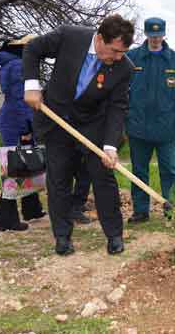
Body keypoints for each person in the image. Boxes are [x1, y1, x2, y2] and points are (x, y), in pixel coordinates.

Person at [22, 14, 134, 256]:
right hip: (57, 119)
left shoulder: (123, 67)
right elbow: (32, 49)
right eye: (114, 51)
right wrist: (31, 86)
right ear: (101, 39)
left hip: (93, 125)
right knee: (59, 179)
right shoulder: (69, 37)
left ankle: (114, 235)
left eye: (122, 53)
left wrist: (110, 146)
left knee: (103, 177)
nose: (117, 57)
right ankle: (62, 237)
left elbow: (117, 107)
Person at [125, 17, 175, 223]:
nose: (155, 40)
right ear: (146, 35)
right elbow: (121, 91)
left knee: (170, 171)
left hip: (165, 127)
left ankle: (171, 209)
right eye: (151, 36)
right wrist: (123, 122)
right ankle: (140, 211)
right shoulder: (132, 58)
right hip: (137, 126)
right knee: (138, 171)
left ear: (164, 34)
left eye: (158, 36)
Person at [0, 35, 46, 232]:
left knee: (26, 165)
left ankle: (31, 208)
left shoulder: (11, 63)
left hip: (12, 119)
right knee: (14, 169)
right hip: (17, 121)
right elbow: (21, 99)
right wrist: (27, 128)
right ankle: (6, 219)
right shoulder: (18, 66)